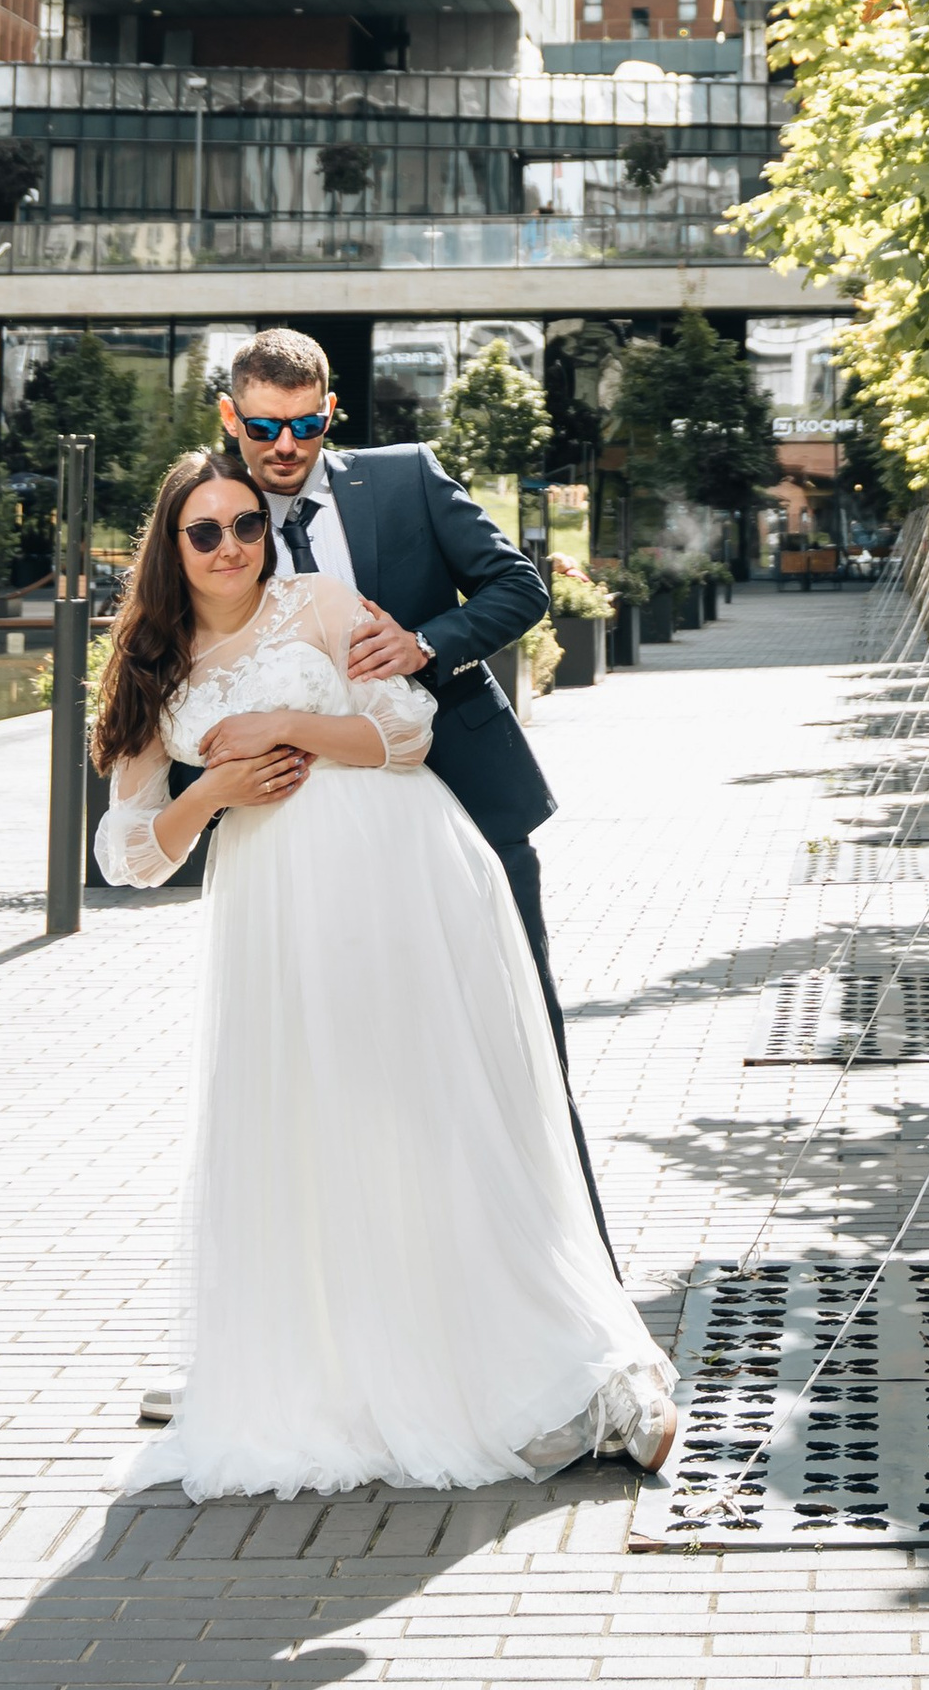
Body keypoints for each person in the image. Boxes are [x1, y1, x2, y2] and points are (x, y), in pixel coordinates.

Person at [93, 447, 676, 1500]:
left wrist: (279, 724)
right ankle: (349, 1364)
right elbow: (129, 850)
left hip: (401, 872)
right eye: (207, 530)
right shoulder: (152, 662)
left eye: (245, 525)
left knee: (427, 1108)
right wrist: (210, 789)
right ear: (169, 547)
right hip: (277, 911)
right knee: (317, 1126)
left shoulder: (315, 599)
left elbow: (405, 729)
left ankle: (542, 1362)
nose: (233, 545)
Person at [206, 326, 611, 1244]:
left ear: (330, 413)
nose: (283, 447)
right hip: (311, 837)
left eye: (304, 426)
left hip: (465, 795)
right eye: (263, 428)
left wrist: (426, 642)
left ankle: (585, 1286)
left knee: (521, 1043)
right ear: (232, 417)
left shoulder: (405, 476)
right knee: (340, 1066)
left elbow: (518, 586)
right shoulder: (212, 515)